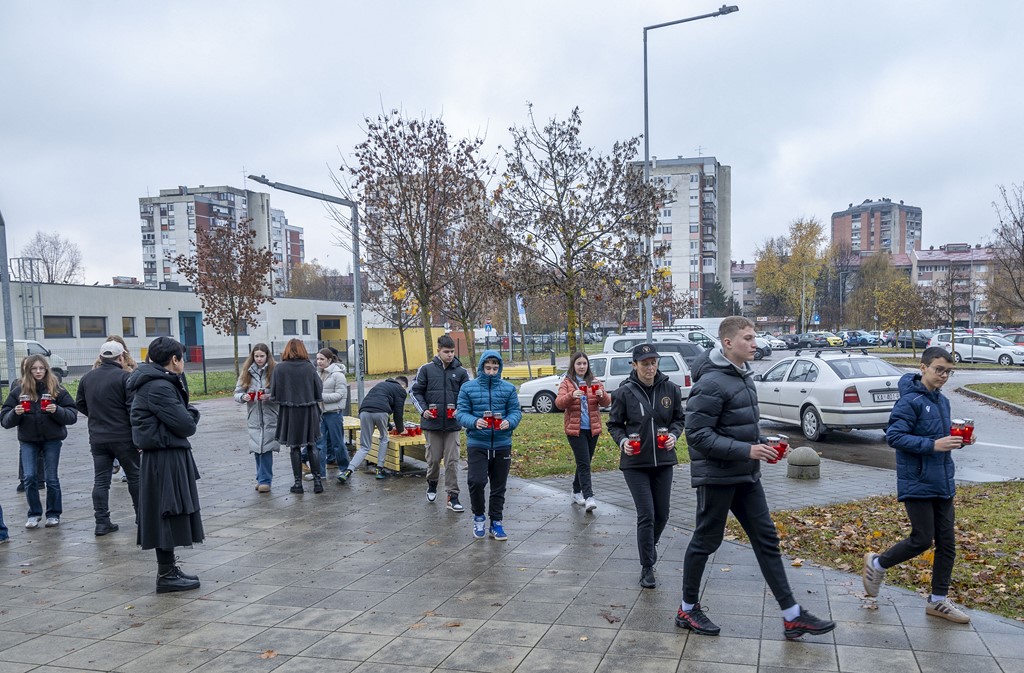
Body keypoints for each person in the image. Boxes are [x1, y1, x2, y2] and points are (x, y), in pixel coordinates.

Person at [677, 316, 835, 640]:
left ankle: (792, 616)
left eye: (754, 337)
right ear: (728, 343)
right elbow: (697, 435)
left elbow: (740, 428)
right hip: (717, 476)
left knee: (766, 539)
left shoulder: (743, 376)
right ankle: (687, 608)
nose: (754, 343)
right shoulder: (711, 382)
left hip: (745, 475)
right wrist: (747, 450)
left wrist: (763, 444)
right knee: (707, 541)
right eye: (747, 338)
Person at [862, 346, 974, 624]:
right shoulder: (909, 401)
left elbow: (940, 437)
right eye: (939, 370)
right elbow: (895, 437)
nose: (944, 376)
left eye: (948, 372)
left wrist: (959, 440)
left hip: (943, 480)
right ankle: (878, 563)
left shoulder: (942, 401)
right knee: (922, 539)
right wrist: (933, 445)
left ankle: (937, 601)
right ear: (923, 368)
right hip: (918, 480)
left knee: (947, 543)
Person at [127, 336, 203, 593]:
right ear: (174, 359)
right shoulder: (158, 386)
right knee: (166, 510)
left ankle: (168, 569)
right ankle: (166, 574)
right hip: (164, 457)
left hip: (166, 454)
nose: (184, 362)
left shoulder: (160, 382)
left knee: (169, 510)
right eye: (182, 358)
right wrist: (192, 413)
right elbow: (186, 424)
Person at [607, 344, 684, 588]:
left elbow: (679, 419)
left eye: (653, 362)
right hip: (635, 463)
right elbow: (614, 424)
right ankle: (647, 566)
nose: (650, 367)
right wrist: (623, 442)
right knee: (647, 514)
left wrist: (674, 435)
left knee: (663, 514)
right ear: (634, 365)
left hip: (663, 460)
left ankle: (650, 545)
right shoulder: (624, 392)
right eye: (645, 363)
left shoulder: (671, 389)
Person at [1, 354, 77, 529]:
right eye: (34, 368)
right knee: (29, 477)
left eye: (41, 368)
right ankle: (34, 513)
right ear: (28, 371)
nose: (38, 372)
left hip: (52, 440)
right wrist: (15, 413)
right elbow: (4, 420)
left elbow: (72, 415)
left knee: (51, 478)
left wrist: (57, 410)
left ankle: (53, 514)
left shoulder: (56, 389)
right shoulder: (19, 391)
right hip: (28, 440)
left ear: (46, 369)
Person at [76, 340, 141, 535]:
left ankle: (102, 522)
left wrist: (96, 416)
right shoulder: (125, 377)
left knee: (101, 481)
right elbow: (133, 409)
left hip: (98, 437)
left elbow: (80, 403)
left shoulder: (87, 378)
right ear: (121, 357)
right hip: (123, 437)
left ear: (100, 357)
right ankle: (142, 517)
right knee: (135, 477)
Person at [456, 350, 521, 541]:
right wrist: (474, 421)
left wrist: (510, 421)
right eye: (488, 368)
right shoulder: (468, 388)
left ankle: (496, 522)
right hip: (478, 443)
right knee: (476, 481)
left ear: (499, 368)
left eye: (495, 368)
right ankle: (478, 517)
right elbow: (461, 413)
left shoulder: (508, 388)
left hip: (502, 443)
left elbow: (515, 411)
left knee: (498, 486)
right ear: (481, 368)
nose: (491, 372)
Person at [411, 334, 469, 510]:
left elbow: (467, 394)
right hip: (432, 423)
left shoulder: (461, 372)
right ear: (438, 351)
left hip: (453, 424)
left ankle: (453, 496)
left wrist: (461, 409)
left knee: (452, 461)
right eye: (446, 352)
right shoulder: (426, 369)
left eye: (452, 352)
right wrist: (424, 410)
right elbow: (414, 392)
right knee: (434, 459)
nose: (450, 355)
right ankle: (432, 483)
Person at [556, 351, 612, 513]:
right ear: (573, 365)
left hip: (592, 429)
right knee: (584, 464)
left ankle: (575, 491)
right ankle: (589, 497)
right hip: (575, 430)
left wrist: (602, 395)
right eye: (578, 363)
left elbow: (607, 402)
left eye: (584, 363)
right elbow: (559, 403)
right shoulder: (567, 383)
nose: (582, 366)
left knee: (584, 462)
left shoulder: (594, 381)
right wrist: (571, 395)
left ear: (588, 365)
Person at [270, 339, 323, 494]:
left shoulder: (280, 368)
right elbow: (318, 389)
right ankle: (318, 482)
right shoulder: (309, 367)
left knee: (294, 446)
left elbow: (274, 392)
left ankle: (298, 484)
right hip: (309, 410)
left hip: (290, 411)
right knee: (312, 444)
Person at [233, 343, 279, 493]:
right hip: (254, 416)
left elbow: (281, 393)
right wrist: (243, 397)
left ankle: (265, 480)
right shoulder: (247, 371)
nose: (259, 359)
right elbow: (237, 392)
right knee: (257, 448)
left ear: (267, 356)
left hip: (270, 416)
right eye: (256, 356)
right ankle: (260, 478)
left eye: (262, 356)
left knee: (266, 448)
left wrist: (269, 396)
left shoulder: (275, 370)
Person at [344, 375, 409, 481]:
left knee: (364, 446)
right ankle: (379, 468)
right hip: (381, 412)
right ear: (403, 385)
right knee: (384, 439)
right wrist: (401, 429)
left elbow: (379, 404)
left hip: (364, 412)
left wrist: (389, 427)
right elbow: (398, 413)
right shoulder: (400, 390)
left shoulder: (381, 385)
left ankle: (348, 470)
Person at [94, 334, 138, 483]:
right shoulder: (98, 366)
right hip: (105, 410)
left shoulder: (130, 366)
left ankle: (124, 470)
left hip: (120, 412)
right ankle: (115, 462)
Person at [314, 348, 348, 482]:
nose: (319, 362)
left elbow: (340, 395)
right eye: (317, 359)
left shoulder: (338, 375)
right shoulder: (317, 373)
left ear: (329, 360)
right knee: (319, 445)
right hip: (319, 413)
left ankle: (345, 469)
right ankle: (320, 473)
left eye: (322, 359)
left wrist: (320, 397)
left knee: (337, 443)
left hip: (334, 413)